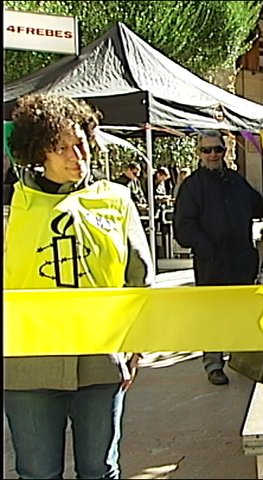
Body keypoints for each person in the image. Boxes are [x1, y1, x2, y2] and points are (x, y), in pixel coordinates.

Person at [4, 93, 154, 479]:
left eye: (81, 143)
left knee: (100, 471)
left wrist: (134, 348)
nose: (76, 156)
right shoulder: (12, 205)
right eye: (61, 147)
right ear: (40, 151)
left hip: (99, 363)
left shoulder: (116, 200)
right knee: (36, 473)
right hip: (28, 366)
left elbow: (140, 278)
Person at [173, 130, 263, 385]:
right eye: (207, 150)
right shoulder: (191, 187)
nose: (213, 155)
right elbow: (184, 227)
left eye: (217, 149)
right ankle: (214, 364)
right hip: (211, 265)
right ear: (199, 153)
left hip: (241, 262)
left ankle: (242, 360)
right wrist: (208, 250)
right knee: (212, 318)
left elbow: (259, 205)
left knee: (242, 315)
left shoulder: (237, 181)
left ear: (225, 151)